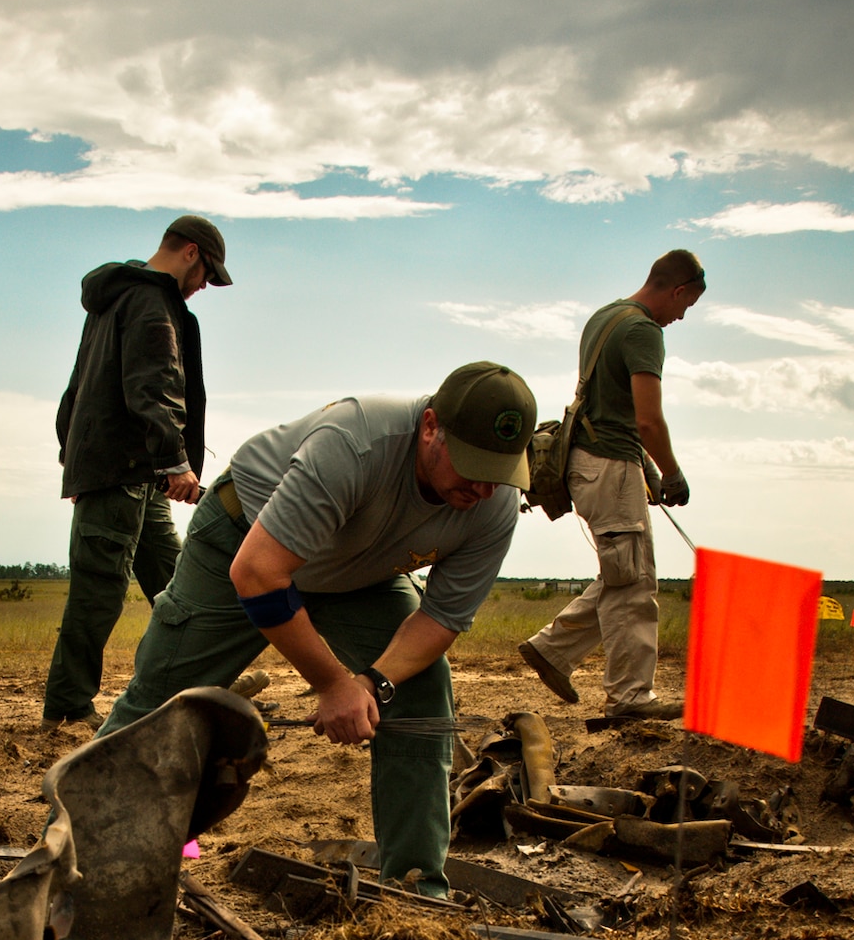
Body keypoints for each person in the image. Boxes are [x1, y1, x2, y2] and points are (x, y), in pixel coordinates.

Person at [98, 365, 537, 897]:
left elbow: (440, 619)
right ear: (429, 428)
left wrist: (371, 684)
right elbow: (258, 573)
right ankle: (79, 843)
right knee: (162, 699)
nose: (484, 486)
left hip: (359, 572)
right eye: (472, 466)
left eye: (500, 472)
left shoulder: (495, 504)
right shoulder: (356, 442)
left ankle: (417, 887)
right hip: (245, 539)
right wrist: (332, 684)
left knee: (420, 689)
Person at [41, 215, 232, 731]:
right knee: (99, 592)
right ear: (190, 252)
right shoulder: (149, 300)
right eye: (207, 275)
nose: (203, 288)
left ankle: (199, 690)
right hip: (122, 471)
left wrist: (74, 458)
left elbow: (76, 387)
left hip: (131, 475)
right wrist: (176, 462)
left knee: (179, 583)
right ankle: (67, 705)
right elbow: (156, 383)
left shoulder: (116, 298)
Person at [518, 249, 705, 720]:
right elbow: (647, 419)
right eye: (685, 306)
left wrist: (651, 472)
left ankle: (553, 649)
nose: (680, 317)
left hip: (592, 461)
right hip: (609, 468)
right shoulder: (643, 330)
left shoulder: (606, 316)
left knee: (624, 575)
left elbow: (610, 408)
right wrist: (674, 471)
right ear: (678, 289)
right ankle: (630, 697)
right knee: (634, 585)